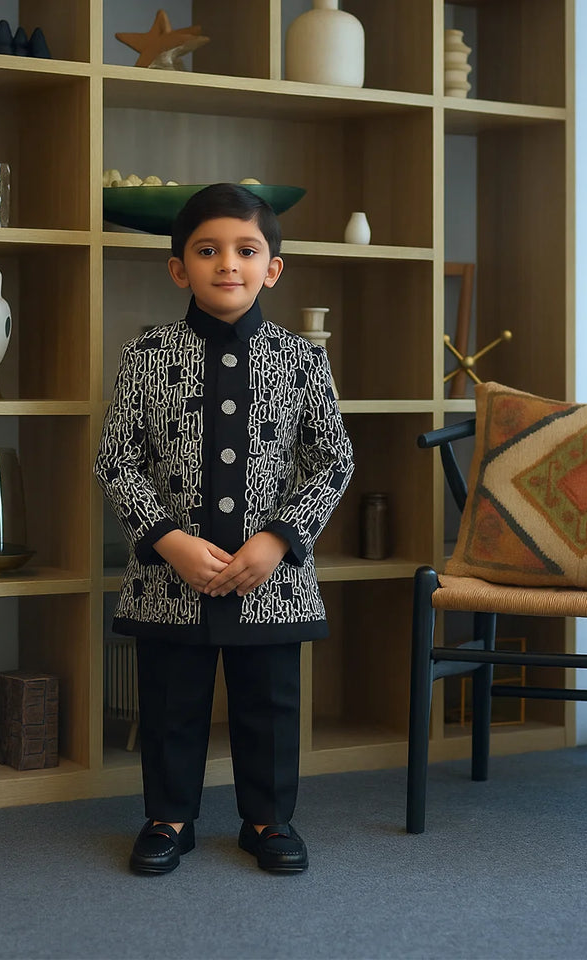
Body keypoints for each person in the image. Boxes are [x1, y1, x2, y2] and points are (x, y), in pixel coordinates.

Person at [95, 182, 354, 876]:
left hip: (270, 579)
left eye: (246, 250)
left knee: (269, 704)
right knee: (172, 700)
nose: (227, 264)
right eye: (207, 251)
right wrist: (168, 539)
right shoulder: (145, 354)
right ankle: (168, 817)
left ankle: (269, 820)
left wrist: (278, 538)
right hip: (167, 578)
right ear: (179, 267)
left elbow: (334, 458)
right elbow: (116, 458)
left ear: (272, 267)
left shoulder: (303, 359)